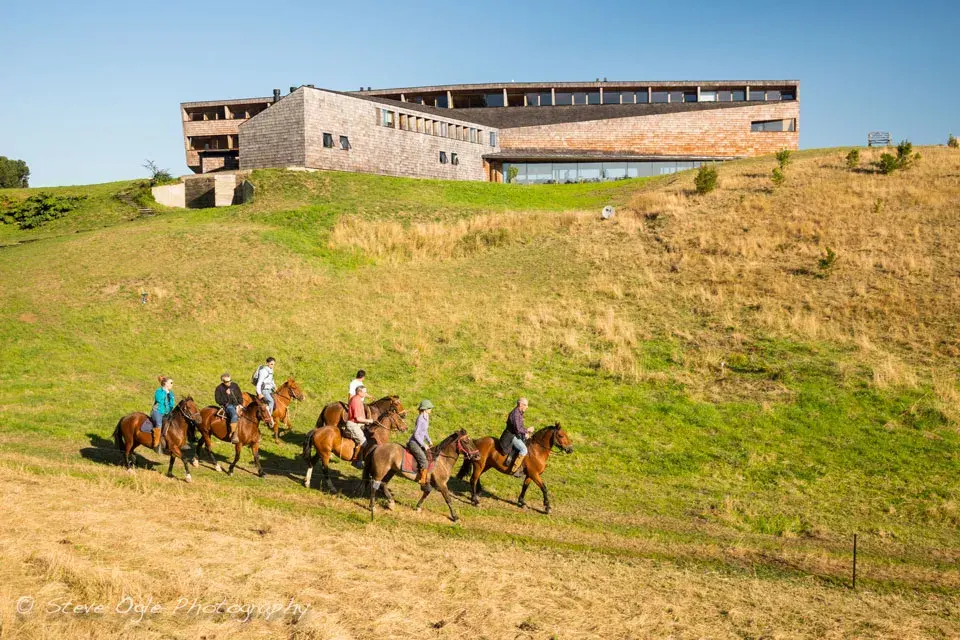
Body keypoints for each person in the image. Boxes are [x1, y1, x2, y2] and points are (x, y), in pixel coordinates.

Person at [499, 397, 529, 477]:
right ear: (520, 404)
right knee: (524, 449)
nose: (527, 407)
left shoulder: (519, 413)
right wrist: (526, 431)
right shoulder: (515, 413)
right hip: (510, 436)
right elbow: (518, 429)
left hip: (515, 434)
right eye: (525, 405)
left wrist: (526, 432)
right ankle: (515, 470)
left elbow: (520, 427)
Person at [345, 385, 372, 468]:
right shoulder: (356, 401)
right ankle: (355, 460)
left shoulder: (358, 400)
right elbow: (358, 418)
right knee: (363, 442)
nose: (366, 393)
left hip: (358, 423)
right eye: (364, 392)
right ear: (359, 392)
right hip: (353, 424)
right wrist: (368, 421)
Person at [408, 400, 434, 485]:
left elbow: (425, 431)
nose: (431, 409)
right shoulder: (420, 418)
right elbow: (416, 434)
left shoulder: (426, 417)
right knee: (424, 461)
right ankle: (422, 480)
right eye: (429, 408)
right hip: (414, 443)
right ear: (425, 409)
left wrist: (429, 440)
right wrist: (424, 445)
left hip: (419, 442)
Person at [215, 372, 243, 444]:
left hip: (237, 405)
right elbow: (218, 400)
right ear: (223, 381)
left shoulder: (235, 385)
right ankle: (233, 434)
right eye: (227, 381)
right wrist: (227, 395)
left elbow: (239, 395)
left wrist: (240, 404)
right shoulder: (219, 388)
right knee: (234, 415)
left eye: (230, 380)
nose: (229, 382)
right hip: (228, 406)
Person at [151, 376, 175, 454]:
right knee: (158, 423)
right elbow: (159, 399)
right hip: (157, 411)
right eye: (170, 383)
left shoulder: (171, 393)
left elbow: (172, 404)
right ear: (165, 383)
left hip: (166, 413)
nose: (172, 384)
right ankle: (156, 443)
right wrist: (165, 392)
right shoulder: (159, 391)